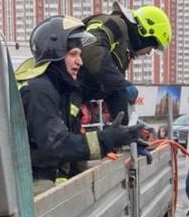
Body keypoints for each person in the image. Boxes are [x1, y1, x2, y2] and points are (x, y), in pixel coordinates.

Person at [19, 15, 142, 192]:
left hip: (47, 177)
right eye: (73, 54)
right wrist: (106, 139)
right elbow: (58, 144)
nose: (80, 62)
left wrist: (115, 139)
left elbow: (74, 141)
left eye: (80, 54)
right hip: (31, 183)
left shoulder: (63, 91)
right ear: (55, 56)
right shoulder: (39, 91)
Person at [78, 2, 171, 124]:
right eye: (152, 46)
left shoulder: (122, 55)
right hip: (59, 94)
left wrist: (125, 131)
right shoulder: (114, 24)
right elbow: (90, 49)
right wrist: (121, 84)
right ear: (145, 34)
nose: (148, 53)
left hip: (73, 100)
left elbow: (115, 92)